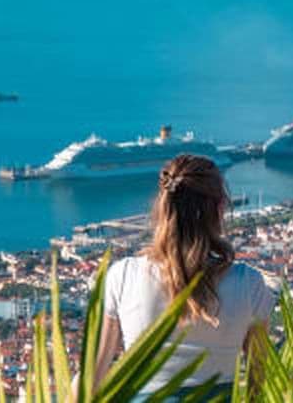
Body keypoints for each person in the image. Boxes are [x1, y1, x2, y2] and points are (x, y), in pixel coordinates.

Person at [86, 154, 274, 399]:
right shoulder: (248, 284)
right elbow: (258, 380)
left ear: (163, 207)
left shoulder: (123, 276)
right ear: (219, 209)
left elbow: (93, 378)